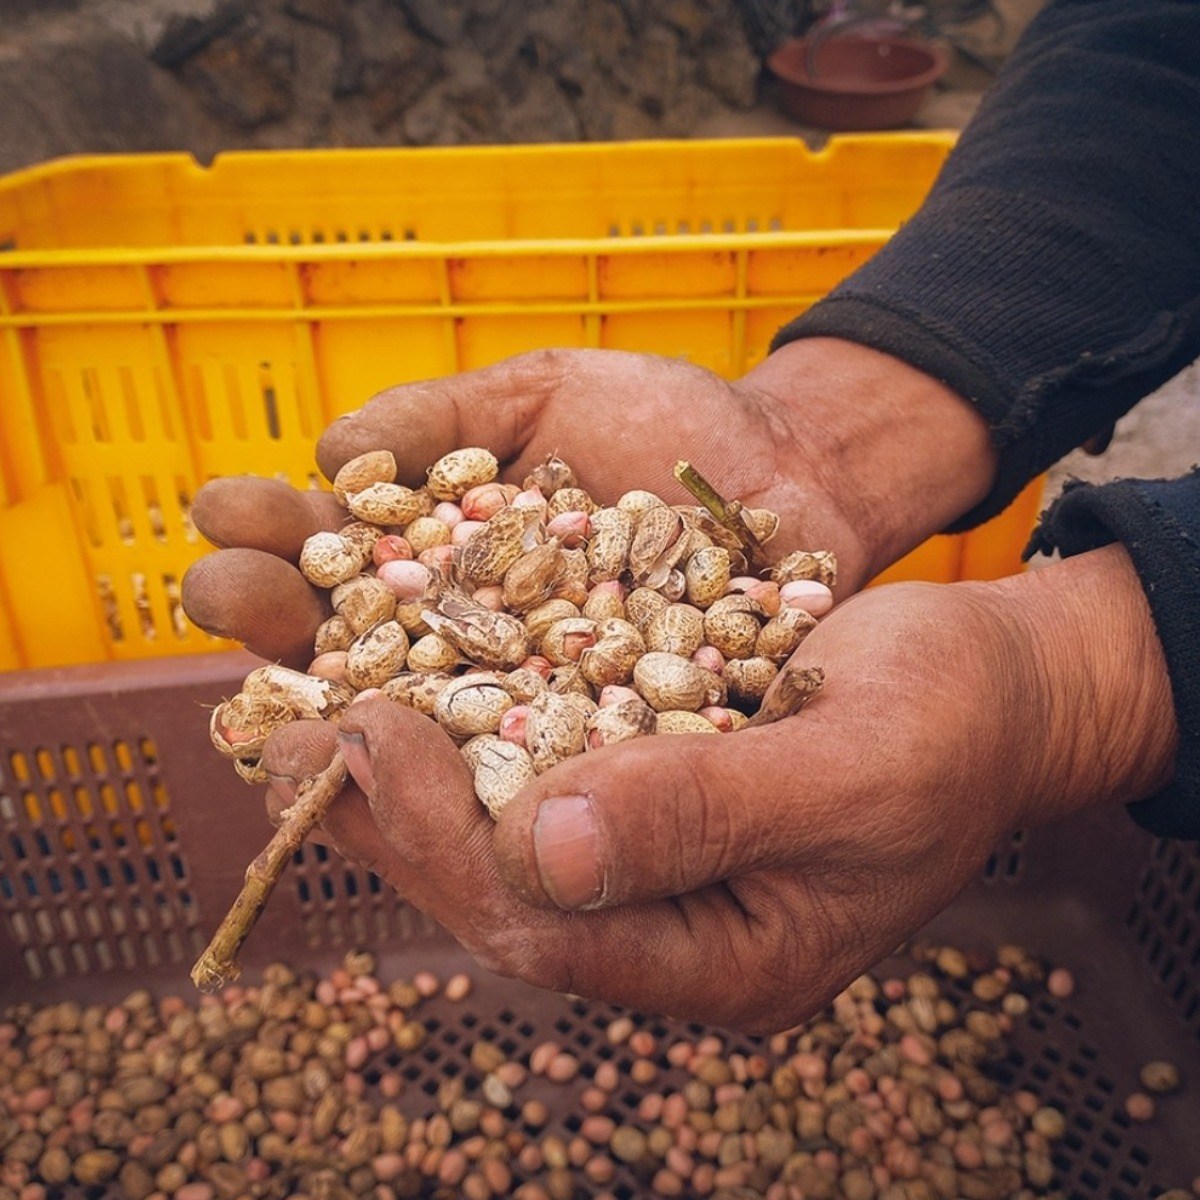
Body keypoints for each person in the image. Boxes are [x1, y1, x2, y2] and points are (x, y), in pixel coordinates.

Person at [182, 0, 1200, 1033]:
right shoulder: (540, 590)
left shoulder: (645, 622)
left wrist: (1088, 676)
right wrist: (832, 428)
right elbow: (1160, 49)